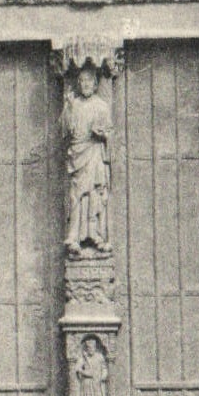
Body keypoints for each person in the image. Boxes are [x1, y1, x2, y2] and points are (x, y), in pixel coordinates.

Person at [62, 63, 111, 256]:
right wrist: (68, 106)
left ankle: (95, 234)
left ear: (96, 83)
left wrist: (103, 135)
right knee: (76, 195)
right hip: (78, 154)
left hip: (94, 153)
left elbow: (109, 133)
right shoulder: (74, 104)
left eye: (89, 80)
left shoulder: (101, 106)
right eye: (81, 81)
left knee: (95, 194)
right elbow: (65, 131)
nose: (85, 84)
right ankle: (73, 237)